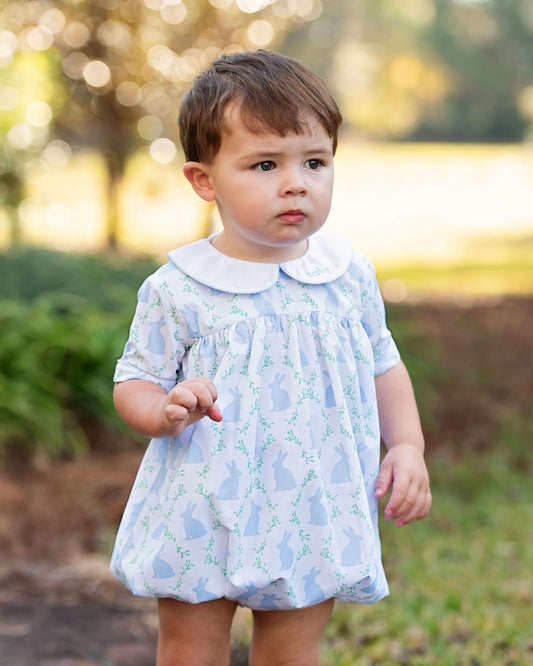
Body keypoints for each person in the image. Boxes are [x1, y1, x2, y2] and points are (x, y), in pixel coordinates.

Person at [110, 50, 431, 666]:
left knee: (293, 651)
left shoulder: (346, 276)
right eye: (264, 164)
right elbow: (136, 382)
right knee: (188, 649)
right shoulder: (179, 288)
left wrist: (408, 446)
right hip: (202, 503)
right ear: (205, 181)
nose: (296, 182)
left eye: (315, 161)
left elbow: (382, 364)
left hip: (313, 499)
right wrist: (164, 409)